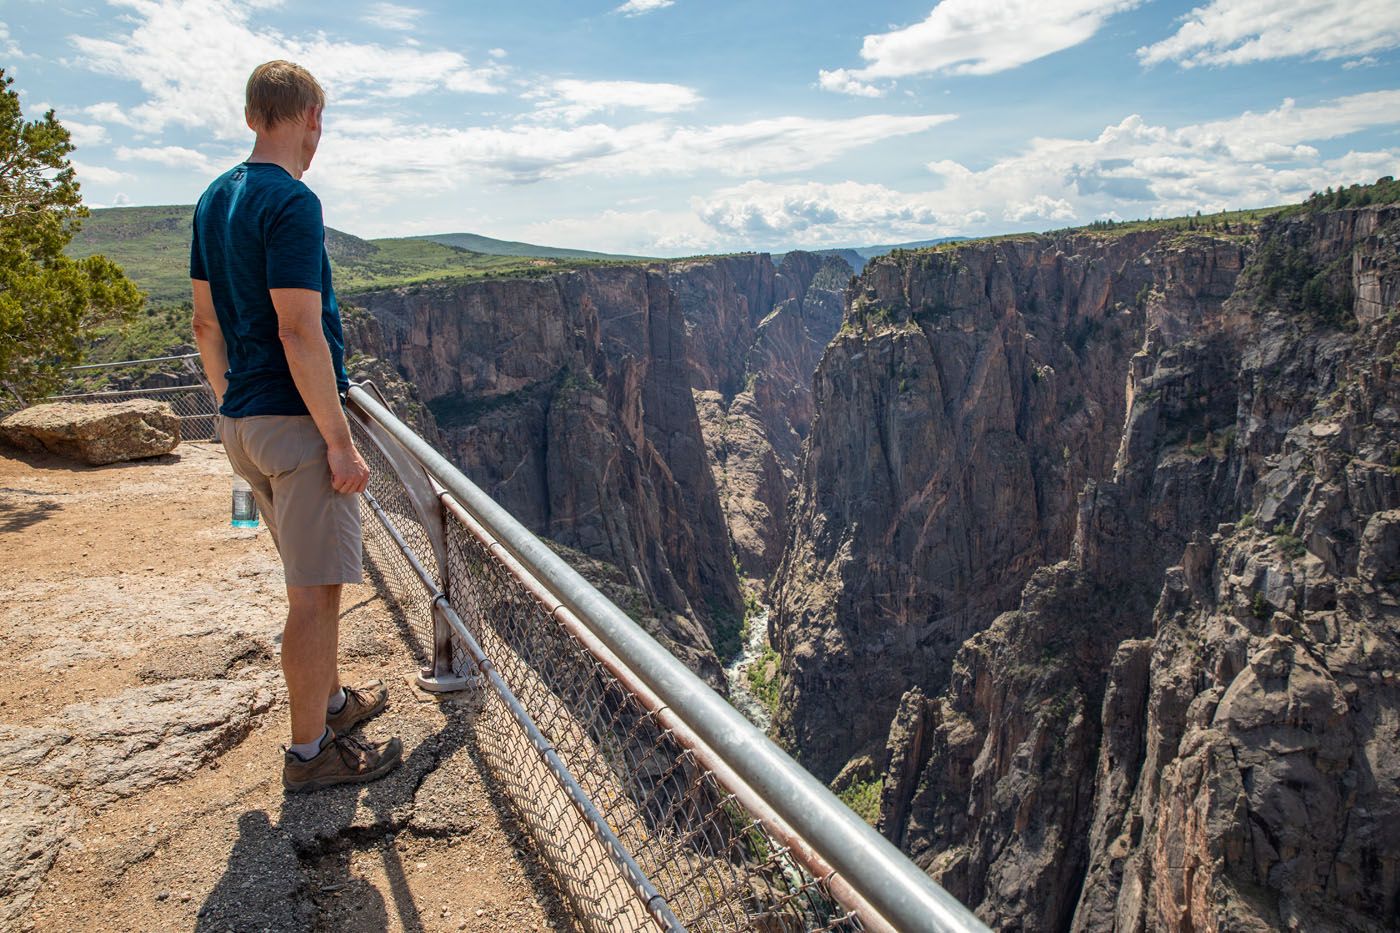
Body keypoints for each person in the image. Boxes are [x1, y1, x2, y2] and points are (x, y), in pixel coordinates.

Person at [189, 60, 401, 792]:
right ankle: (310, 755)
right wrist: (338, 442)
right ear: (310, 116)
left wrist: (229, 407)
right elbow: (299, 331)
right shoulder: (293, 202)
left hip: (243, 422)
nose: (319, 135)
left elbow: (204, 323)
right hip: (295, 428)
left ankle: (333, 703)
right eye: (321, 122)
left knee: (308, 584)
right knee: (315, 596)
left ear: (253, 115)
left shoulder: (214, 199)